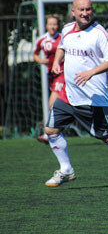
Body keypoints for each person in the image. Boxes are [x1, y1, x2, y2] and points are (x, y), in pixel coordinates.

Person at [43, 0, 108, 188]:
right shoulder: (67, 29)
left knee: (107, 136)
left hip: (92, 98)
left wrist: (91, 72)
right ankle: (66, 169)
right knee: (51, 130)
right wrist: (56, 61)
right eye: (81, 10)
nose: (85, 13)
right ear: (73, 12)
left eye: (88, 9)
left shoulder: (99, 33)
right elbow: (62, 46)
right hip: (69, 95)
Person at [33, 15, 64, 144]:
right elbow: (35, 54)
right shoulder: (42, 40)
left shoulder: (63, 38)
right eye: (50, 24)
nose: (53, 27)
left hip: (62, 73)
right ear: (46, 25)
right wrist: (41, 60)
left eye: (55, 24)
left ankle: (51, 133)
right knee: (60, 104)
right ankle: (56, 130)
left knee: (52, 103)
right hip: (51, 76)